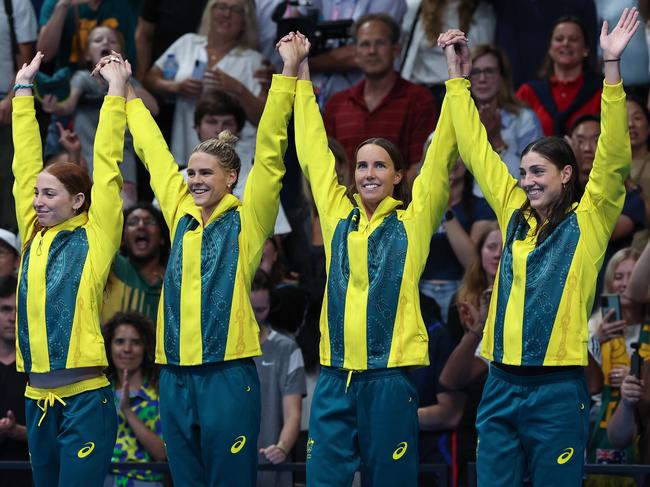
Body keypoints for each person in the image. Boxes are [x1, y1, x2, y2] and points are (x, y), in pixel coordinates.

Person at [439, 7, 639, 485]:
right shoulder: (512, 210)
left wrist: (612, 72)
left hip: (557, 387)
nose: (525, 181)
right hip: (501, 382)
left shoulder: (588, 220)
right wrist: (456, 77)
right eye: (523, 171)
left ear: (566, 174)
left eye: (537, 172)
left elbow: (611, 160)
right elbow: (474, 146)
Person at [119, 33, 303, 486]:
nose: (195, 179)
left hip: (227, 373)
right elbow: (151, 150)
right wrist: (123, 89)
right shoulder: (179, 208)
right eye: (192, 172)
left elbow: (274, 149)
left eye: (206, 173)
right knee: (185, 480)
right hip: (175, 374)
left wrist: (287, 72)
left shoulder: (251, 218)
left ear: (232, 177)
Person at [291, 25, 458, 484]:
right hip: (334, 376)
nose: (368, 172)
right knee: (323, 479)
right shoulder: (336, 215)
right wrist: (302, 71)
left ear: (399, 176)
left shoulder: (413, 222)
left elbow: (441, 153)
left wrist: (454, 74)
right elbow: (311, 149)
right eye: (361, 164)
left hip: (389, 378)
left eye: (379, 164)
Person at [12, 51, 128, 486]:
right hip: (35, 395)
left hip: (83, 397)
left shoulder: (95, 236)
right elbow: (24, 167)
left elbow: (108, 168)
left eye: (50, 194)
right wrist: (24, 90)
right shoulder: (32, 235)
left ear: (78, 201)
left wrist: (114, 93)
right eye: (38, 195)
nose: (39, 201)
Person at [40, 24, 159, 207]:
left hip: (123, 160)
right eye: (98, 40)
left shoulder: (129, 83)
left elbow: (154, 108)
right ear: (88, 54)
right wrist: (55, 107)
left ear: (121, 54)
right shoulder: (83, 78)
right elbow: (68, 105)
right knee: (90, 209)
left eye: (112, 41)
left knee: (123, 211)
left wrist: (122, 81)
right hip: (88, 158)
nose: (105, 42)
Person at [144, 0, 265, 165]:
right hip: (186, 147)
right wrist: (175, 87)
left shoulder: (255, 61)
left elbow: (263, 118)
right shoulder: (188, 43)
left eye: (235, 10)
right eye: (221, 7)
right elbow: (150, 79)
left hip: (236, 158)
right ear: (210, 12)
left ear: (246, 21)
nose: (226, 14)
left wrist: (237, 88)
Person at [323, 13, 437, 178]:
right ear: (355, 52)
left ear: (396, 49)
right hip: (344, 203)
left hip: (403, 202)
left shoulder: (419, 99)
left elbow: (421, 167)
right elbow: (329, 168)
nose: (372, 51)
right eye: (364, 44)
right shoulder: (336, 105)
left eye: (380, 43)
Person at [586, 248, 646, 479]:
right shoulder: (594, 325)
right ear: (610, 282)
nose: (625, 284)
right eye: (618, 277)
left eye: (632, 276)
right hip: (597, 418)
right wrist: (596, 341)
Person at [250, 270, 306, 487]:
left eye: (260, 310)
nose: (254, 316)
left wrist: (282, 447)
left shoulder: (287, 349)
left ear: (271, 307)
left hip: (271, 467)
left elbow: (293, 414)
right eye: (248, 309)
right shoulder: (220, 350)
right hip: (228, 465)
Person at [103, 312, 165, 487]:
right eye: (120, 341)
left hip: (143, 482)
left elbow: (162, 453)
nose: (127, 349)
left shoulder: (159, 394)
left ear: (145, 347)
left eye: (135, 342)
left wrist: (127, 411)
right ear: (109, 346)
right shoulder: (99, 392)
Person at [467, 44, 543, 182]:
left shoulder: (525, 119)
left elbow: (534, 179)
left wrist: (497, 141)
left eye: (489, 71)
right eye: (475, 72)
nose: (482, 79)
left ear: (502, 77)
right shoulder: (459, 119)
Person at [516, 16, 602, 136]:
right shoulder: (528, 92)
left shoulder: (602, 91)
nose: (566, 43)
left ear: (586, 49)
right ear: (550, 48)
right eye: (559, 39)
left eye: (574, 39)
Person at [400, 0, 496, 106]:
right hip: (418, 92)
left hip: (457, 91)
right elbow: (404, 52)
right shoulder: (416, 7)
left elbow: (482, 55)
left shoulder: (482, 12)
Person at [0, 0, 37, 232]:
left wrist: (10, 99)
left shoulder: (16, 4)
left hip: (6, 100)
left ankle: (8, 247)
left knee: (9, 178)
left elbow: (26, 58)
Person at [102, 203, 169, 324]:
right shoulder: (112, 268)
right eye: (133, 222)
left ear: (162, 238)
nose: (141, 226)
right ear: (122, 240)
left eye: (149, 222)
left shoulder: (176, 280)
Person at [0, 275, 31, 487]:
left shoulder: (41, 370)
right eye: (5, 309)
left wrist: (19, 432)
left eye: (19, 310)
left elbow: (61, 438)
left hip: (31, 478)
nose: (12, 317)